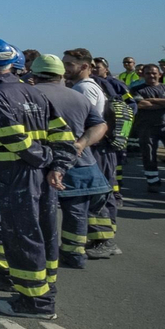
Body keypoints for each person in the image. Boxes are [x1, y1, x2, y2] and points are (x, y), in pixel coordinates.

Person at [0, 38, 72, 319]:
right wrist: (57, 166)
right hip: (40, 176)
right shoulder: (33, 92)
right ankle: (43, 292)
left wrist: (44, 160)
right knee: (44, 233)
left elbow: (12, 138)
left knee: (23, 237)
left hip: (15, 175)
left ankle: (35, 302)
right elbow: (62, 135)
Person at [29, 55, 109, 270]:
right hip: (81, 164)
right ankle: (75, 255)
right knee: (77, 214)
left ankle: (44, 256)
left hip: (41, 164)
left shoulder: (29, 95)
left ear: (34, 74)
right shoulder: (77, 97)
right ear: (61, 74)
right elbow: (100, 126)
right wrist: (81, 143)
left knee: (40, 214)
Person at [64, 48, 124, 256]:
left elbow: (86, 122)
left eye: (69, 64)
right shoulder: (80, 86)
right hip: (92, 146)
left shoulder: (84, 89)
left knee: (98, 195)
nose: (65, 68)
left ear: (85, 66)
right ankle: (99, 239)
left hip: (94, 147)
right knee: (94, 194)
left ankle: (105, 241)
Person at [132, 63, 165, 190]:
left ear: (160, 74)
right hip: (147, 128)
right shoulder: (137, 90)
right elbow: (142, 105)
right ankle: (153, 182)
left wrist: (153, 100)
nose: (151, 75)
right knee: (149, 156)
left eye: (154, 73)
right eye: (148, 73)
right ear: (143, 74)